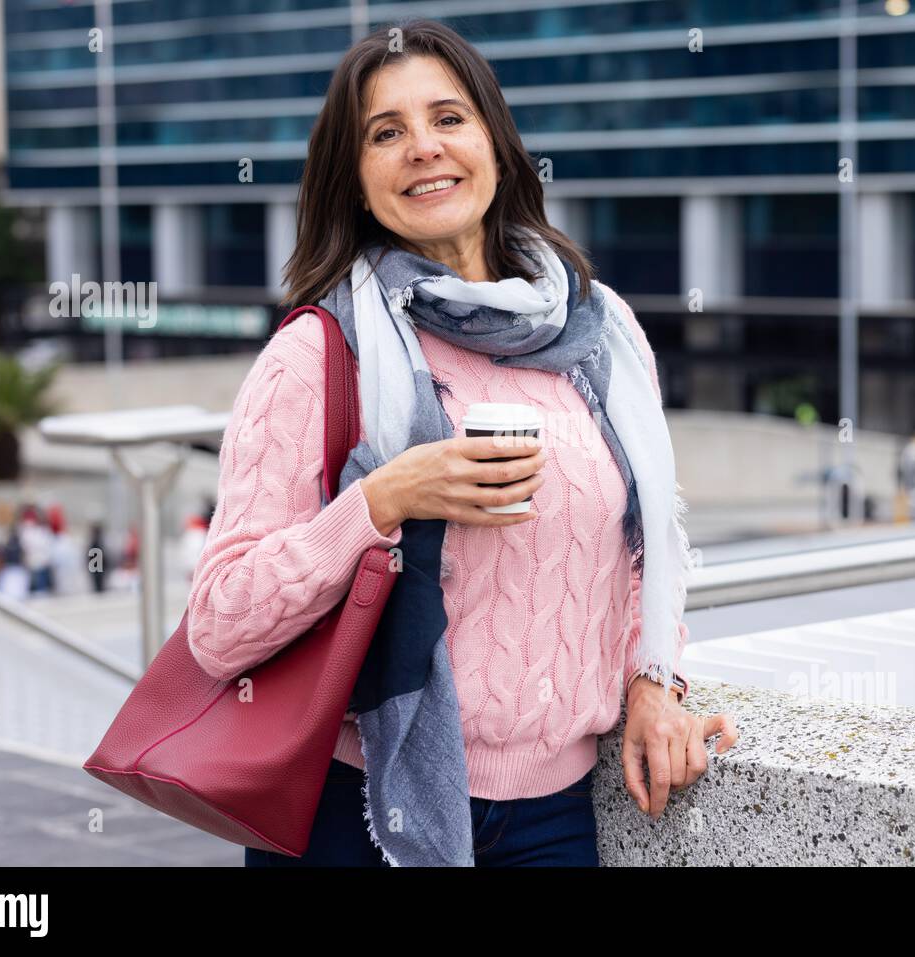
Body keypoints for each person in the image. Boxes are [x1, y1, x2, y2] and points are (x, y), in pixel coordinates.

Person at [184, 18, 737, 868]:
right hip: (357, 810)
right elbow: (220, 625)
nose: (423, 148)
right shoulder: (319, 352)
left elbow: (635, 557)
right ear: (355, 178)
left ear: (496, 144)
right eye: (386, 132)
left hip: (555, 813)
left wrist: (656, 682)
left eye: (448, 118)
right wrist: (383, 500)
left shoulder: (603, 331)